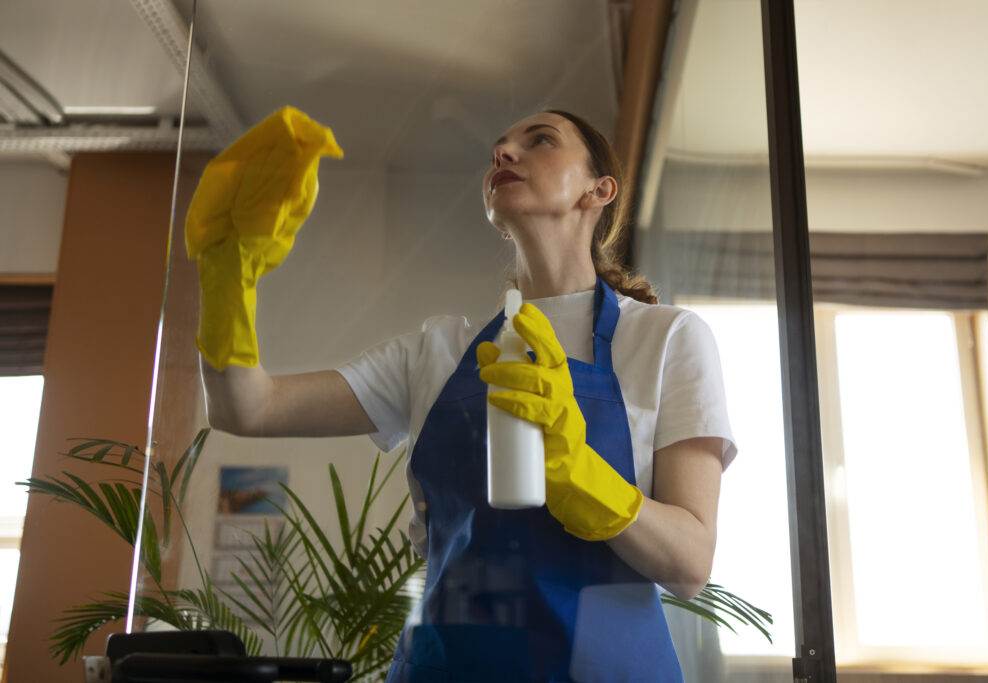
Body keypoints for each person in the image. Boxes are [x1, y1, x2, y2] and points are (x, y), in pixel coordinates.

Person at [191, 106, 737, 682]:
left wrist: (583, 477)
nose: (504, 154)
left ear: (598, 191)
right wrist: (229, 272)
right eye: (499, 148)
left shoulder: (667, 339)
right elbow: (245, 408)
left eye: (541, 141)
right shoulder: (439, 351)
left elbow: (689, 563)